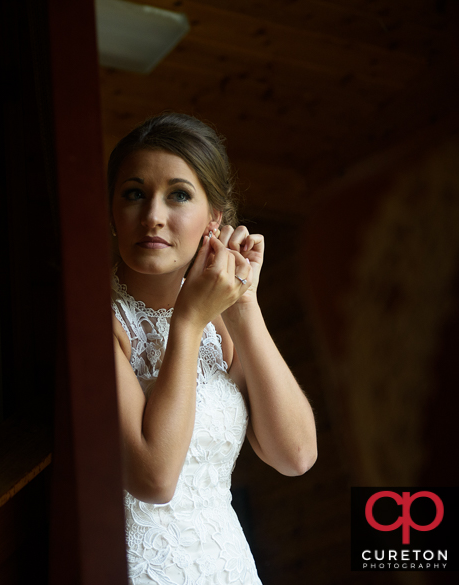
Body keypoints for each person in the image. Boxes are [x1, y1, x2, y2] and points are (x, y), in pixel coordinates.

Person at [109, 113, 317, 584]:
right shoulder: (98, 327)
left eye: (178, 194)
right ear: (112, 212)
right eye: (134, 194)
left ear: (215, 220)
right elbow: (154, 479)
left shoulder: (224, 324)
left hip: (228, 568)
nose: (153, 216)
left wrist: (244, 304)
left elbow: (297, 455)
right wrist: (187, 321)